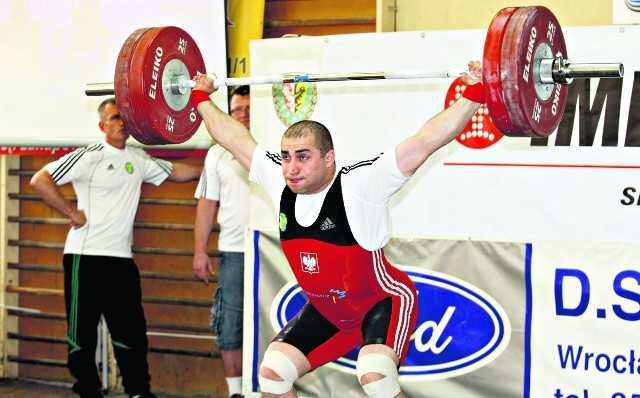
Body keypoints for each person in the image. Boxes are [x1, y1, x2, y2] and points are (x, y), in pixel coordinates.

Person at [188, 61, 485, 398]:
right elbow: (233, 137)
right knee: (272, 374)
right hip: (330, 313)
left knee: (376, 377)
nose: (291, 168)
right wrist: (200, 96)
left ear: (329, 158)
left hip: (382, 302)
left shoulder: (361, 183)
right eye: (286, 156)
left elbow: (425, 141)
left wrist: (475, 92)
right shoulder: (277, 178)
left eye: (303, 157)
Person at [30, 97, 202, 398]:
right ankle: (88, 389)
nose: (122, 123)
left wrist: (212, 163)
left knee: (131, 332)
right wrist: (71, 212)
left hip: (120, 260)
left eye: (125, 118)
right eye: (114, 118)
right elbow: (40, 179)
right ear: (102, 125)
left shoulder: (138, 158)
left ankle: (138, 391)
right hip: (84, 257)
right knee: (81, 334)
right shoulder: (90, 156)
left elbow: (177, 172)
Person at [192, 85, 251, 398]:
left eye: (248, 110)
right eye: (237, 110)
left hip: (273, 251)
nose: (243, 116)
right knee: (230, 326)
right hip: (233, 251)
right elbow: (206, 204)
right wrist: (199, 251)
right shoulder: (216, 153)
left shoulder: (270, 149)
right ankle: (235, 393)